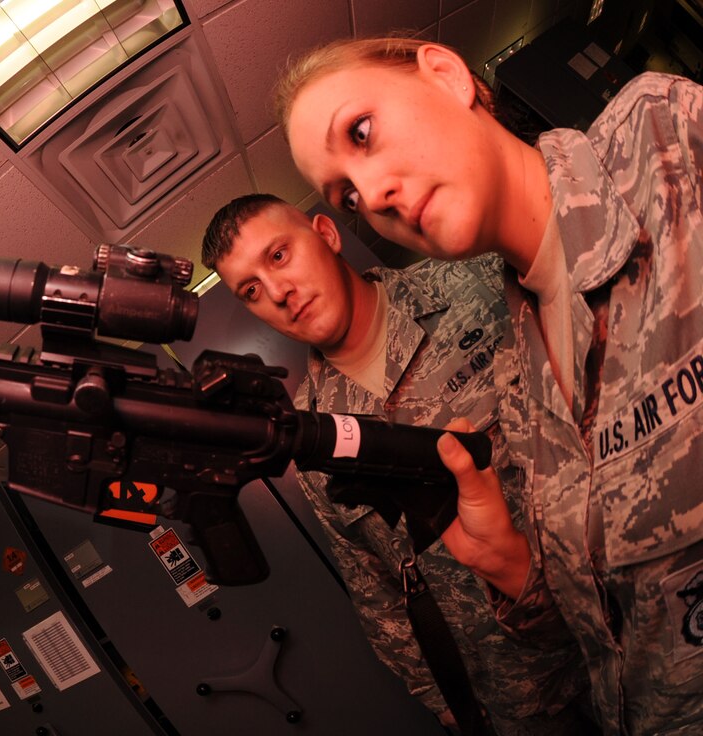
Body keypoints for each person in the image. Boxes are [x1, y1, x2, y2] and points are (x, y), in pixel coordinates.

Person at [273, 36, 703, 735]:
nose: (373, 193)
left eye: (362, 132)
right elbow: (608, 622)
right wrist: (511, 566)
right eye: (348, 194)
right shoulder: (523, 357)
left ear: (445, 75)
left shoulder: (659, 141)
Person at [201, 193, 594, 734]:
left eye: (278, 256)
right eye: (251, 290)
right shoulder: (308, 437)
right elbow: (374, 587)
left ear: (327, 234)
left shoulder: (473, 285)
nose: (279, 293)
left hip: (620, 606)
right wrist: (446, 704)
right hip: (524, 692)